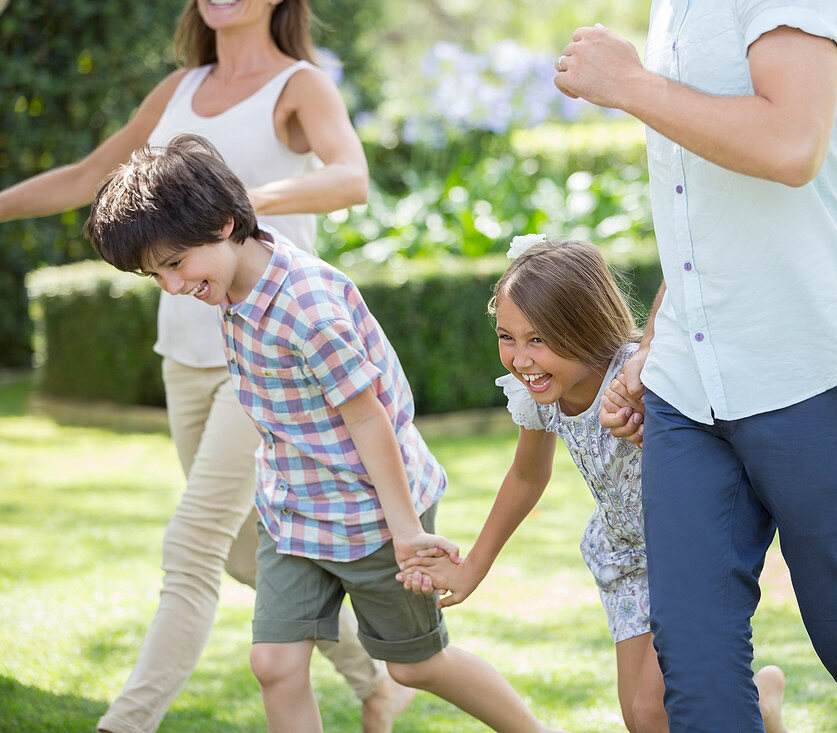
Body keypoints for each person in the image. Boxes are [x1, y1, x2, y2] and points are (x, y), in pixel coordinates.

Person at [552, 3, 837, 732]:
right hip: (689, 387)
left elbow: (791, 144)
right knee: (695, 661)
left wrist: (629, 83)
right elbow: (703, 213)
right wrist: (657, 343)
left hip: (819, 366)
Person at [0, 2, 410, 731]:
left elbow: (350, 178)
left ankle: (124, 723)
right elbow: (94, 174)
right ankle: (374, 678)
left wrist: (235, 206)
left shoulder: (299, 85)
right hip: (184, 352)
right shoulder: (178, 89)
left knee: (191, 544)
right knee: (249, 553)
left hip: (268, 349)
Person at [83, 133, 567, 733]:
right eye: (155, 274)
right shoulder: (236, 282)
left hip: (370, 516)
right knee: (274, 664)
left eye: (175, 264)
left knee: (417, 667)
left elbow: (368, 418)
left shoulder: (308, 308)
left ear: (224, 223)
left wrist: (406, 531)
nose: (172, 287)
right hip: (293, 513)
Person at [397, 236, 788, 733]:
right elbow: (526, 474)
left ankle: (752, 708)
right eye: (506, 336)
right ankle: (759, 708)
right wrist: (472, 568)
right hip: (625, 557)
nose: (520, 359)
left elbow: (713, 445)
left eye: (538, 339)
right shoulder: (538, 392)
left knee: (654, 710)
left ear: (585, 326)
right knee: (641, 718)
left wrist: (651, 429)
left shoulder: (642, 377)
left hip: (683, 550)